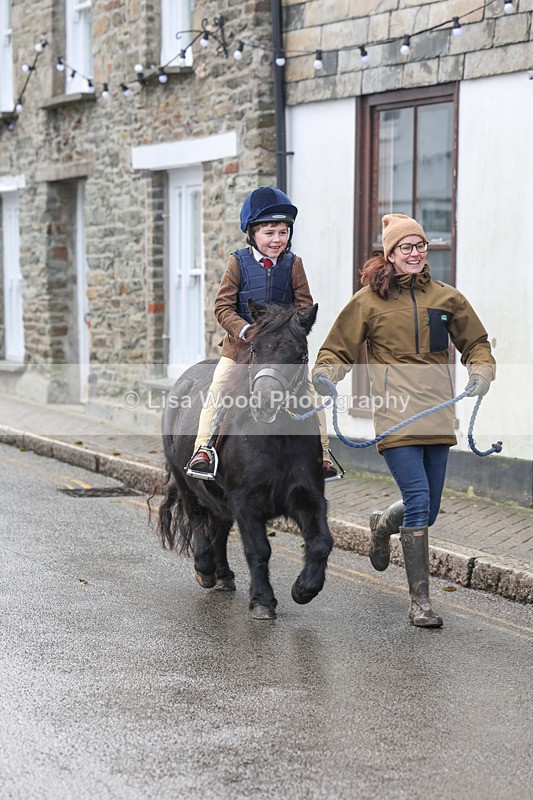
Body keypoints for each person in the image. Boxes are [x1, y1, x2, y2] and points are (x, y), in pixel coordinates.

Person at [312, 213, 496, 628]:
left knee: (427, 511)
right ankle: (420, 603)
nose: (415, 253)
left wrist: (481, 372)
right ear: (390, 255)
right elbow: (337, 349)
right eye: (405, 247)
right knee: (417, 500)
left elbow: (477, 344)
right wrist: (325, 374)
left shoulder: (447, 298)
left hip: (437, 413)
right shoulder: (368, 302)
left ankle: (381, 526)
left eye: (420, 246)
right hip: (395, 416)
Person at [186, 186, 341, 481]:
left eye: (282, 232)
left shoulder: (294, 264)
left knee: (309, 394)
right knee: (218, 390)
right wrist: (245, 330)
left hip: (282, 351)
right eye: (269, 233)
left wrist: (291, 328)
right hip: (242, 348)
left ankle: (323, 454)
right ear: (252, 234)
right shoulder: (238, 262)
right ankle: (203, 449)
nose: (277, 239)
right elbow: (222, 306)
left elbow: (304, 306)